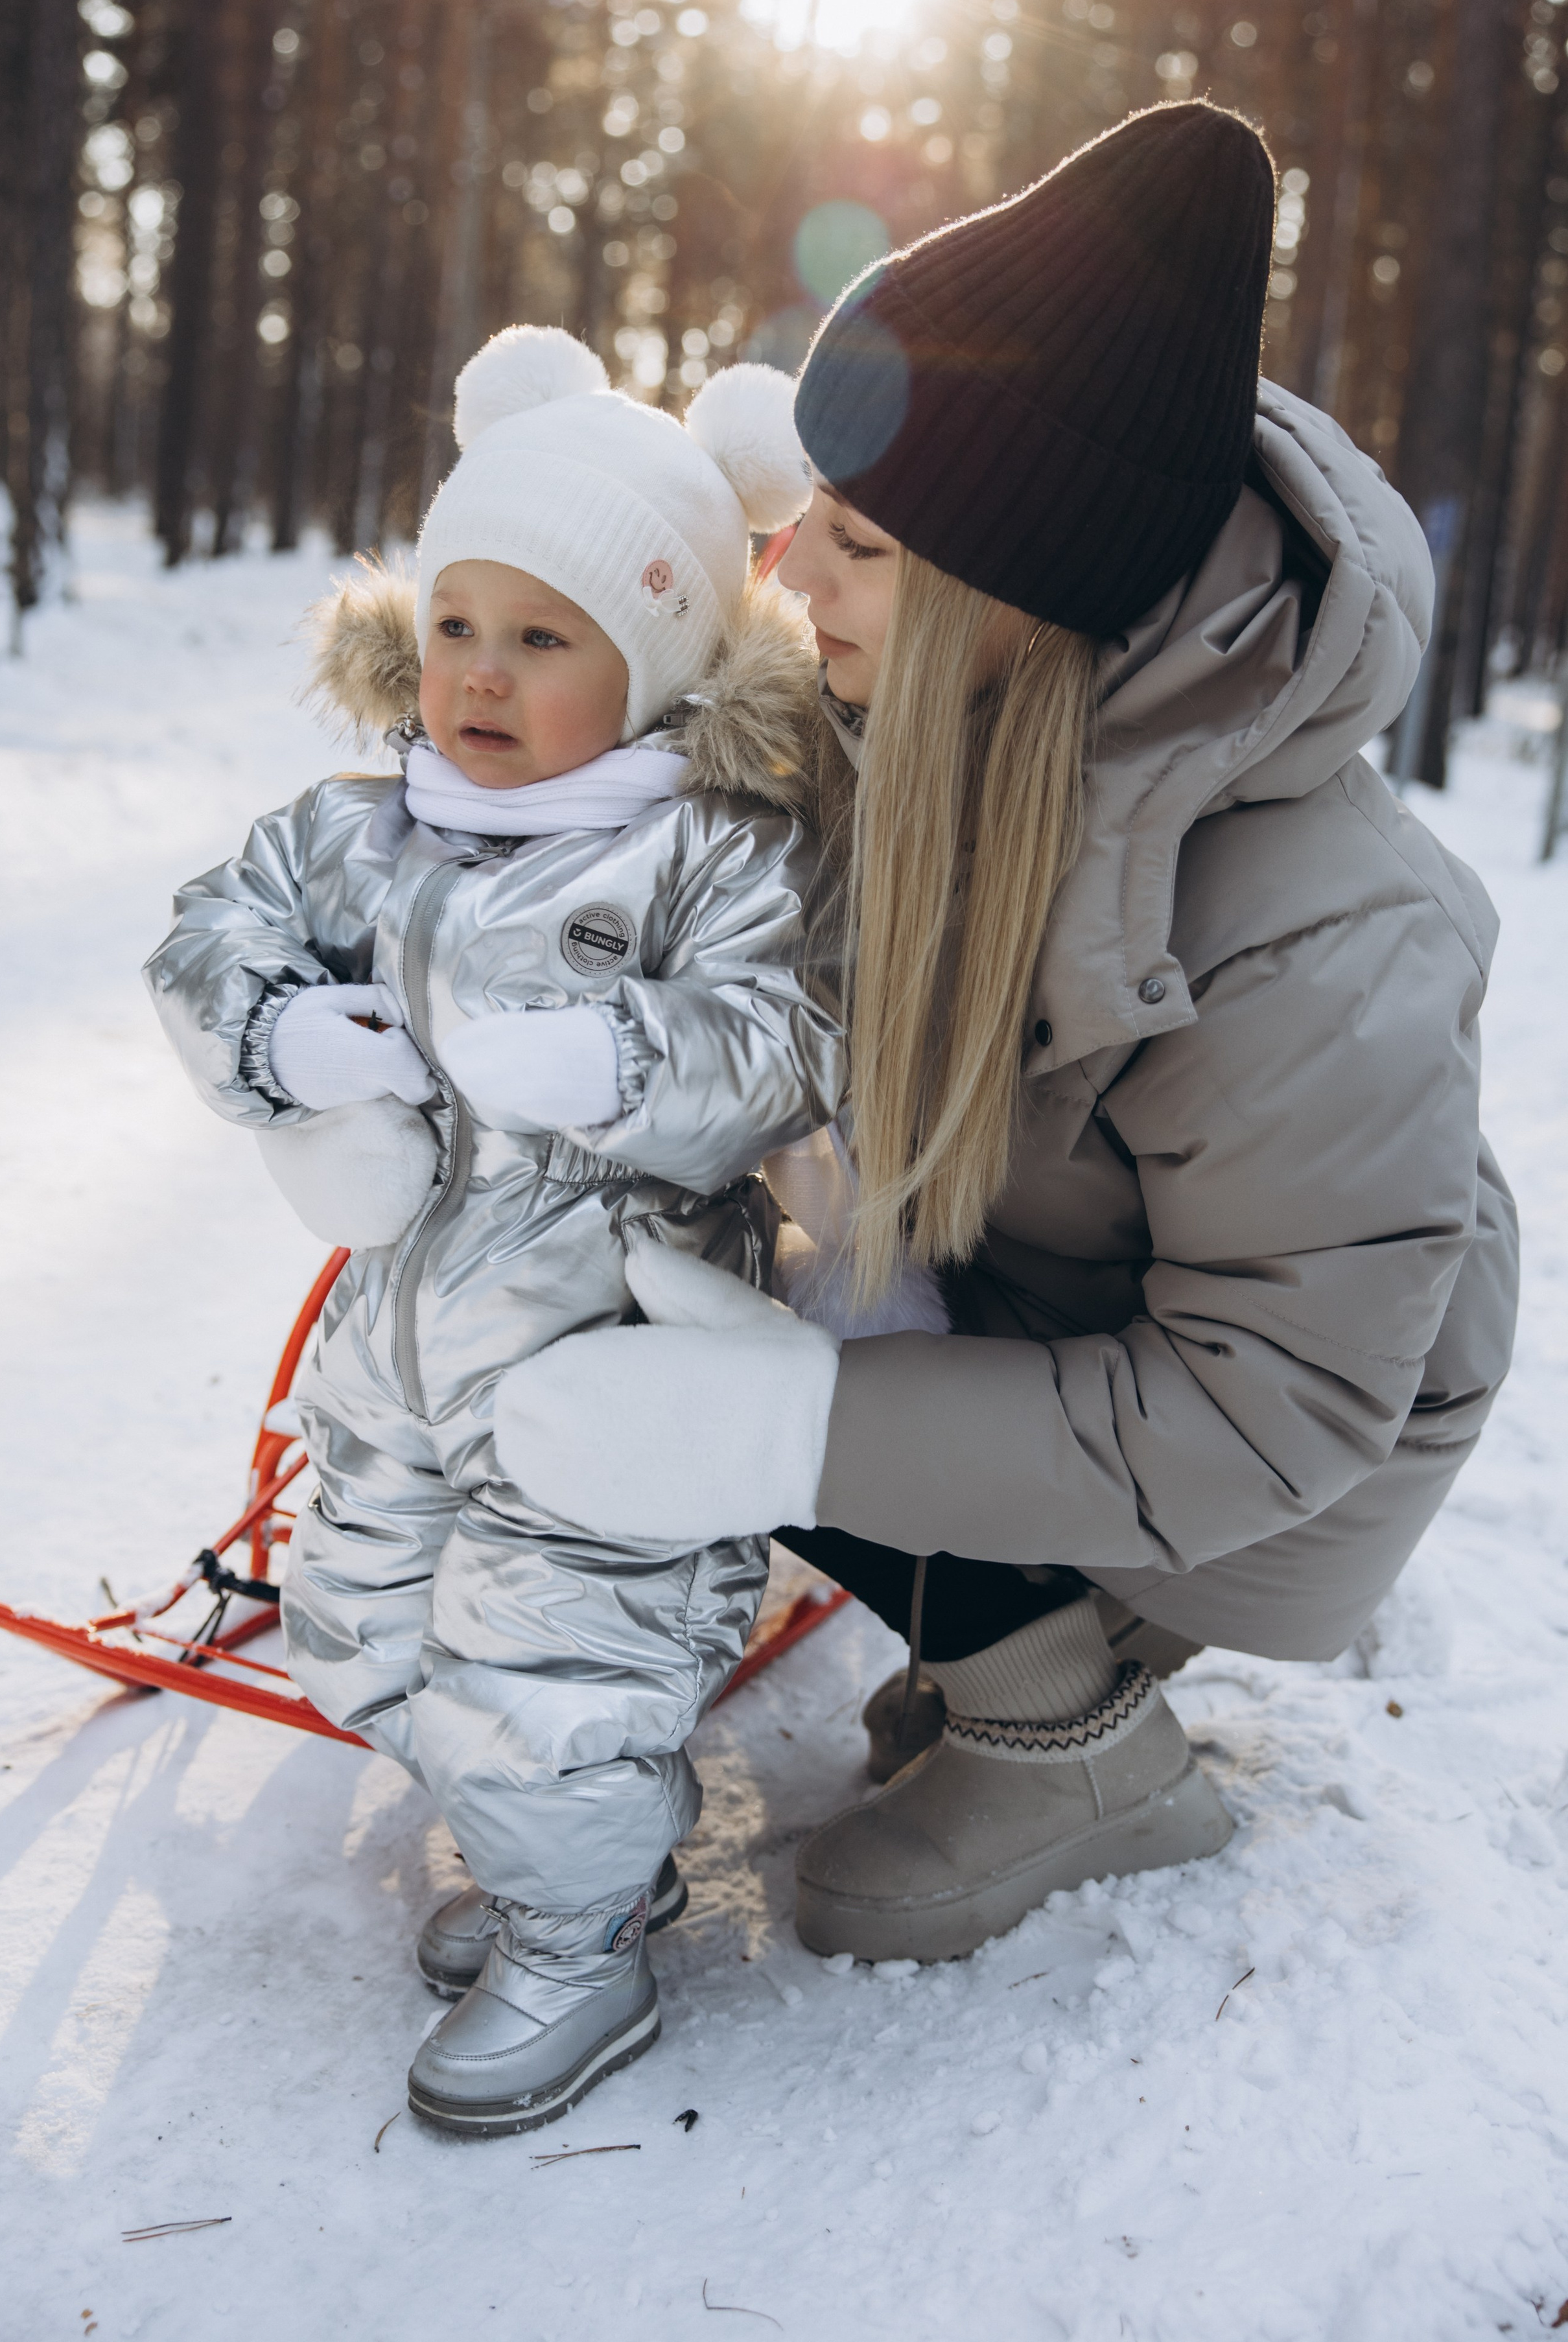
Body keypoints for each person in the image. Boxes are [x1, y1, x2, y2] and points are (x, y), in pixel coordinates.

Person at [491, 104, 1521, 1967]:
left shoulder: (1326, 935)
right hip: (1053, 1298)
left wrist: (796, 1426)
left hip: (1265, 1435)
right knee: (647, 1279)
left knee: (765, 1377)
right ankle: (1015, 1631)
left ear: (1014, 603)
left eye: (858, 540)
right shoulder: (919, 709)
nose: (791, 574)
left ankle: (1075, 1736)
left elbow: (1262, 1407)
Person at [144, 325, 844, 2136]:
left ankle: (577, 1935)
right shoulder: (361, 831)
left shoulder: (711, 851)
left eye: (546, 641)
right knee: (360, 1619)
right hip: (399, 1340)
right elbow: (211, 932)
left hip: (606, 1351)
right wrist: (281, 1032)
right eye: (459, 623)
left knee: (557, 1664)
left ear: (659, 660)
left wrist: (623, 1054)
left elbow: (785, 1042)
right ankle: (587, 1862)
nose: (481, 675)